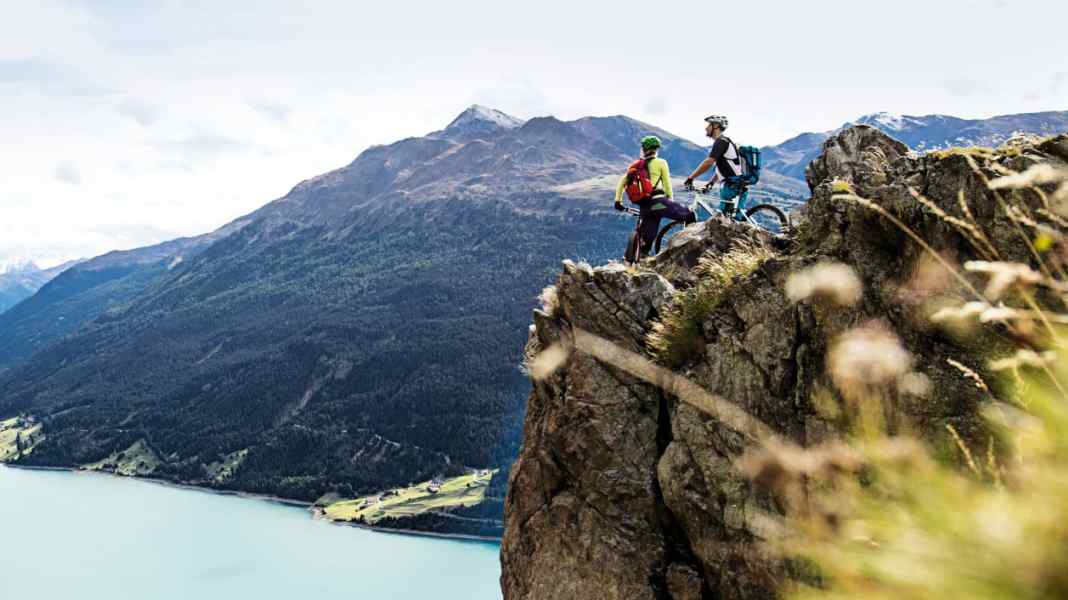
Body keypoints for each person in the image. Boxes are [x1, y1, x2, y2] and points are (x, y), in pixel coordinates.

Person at [614, 135, 695, 257]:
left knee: (646, 242)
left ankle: (636, 262)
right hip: (658, 203)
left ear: (643, 149)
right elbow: (667, 184)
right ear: (656, 150)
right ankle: (691, 247)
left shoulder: (635, 166)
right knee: (689, 215)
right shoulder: (661, 162)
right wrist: (670, 202)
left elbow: (621, 183)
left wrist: (618, 201)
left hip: (645, 207)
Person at [684, 115, 748, 218]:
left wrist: (691, 177)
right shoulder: (725, 141)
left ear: (716, 126)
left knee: (720, 219)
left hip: (731, 185)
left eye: (709, 125)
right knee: (732, 219)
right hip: (735, 184)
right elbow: (725, 167)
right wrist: (711, 183)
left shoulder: (721, 141)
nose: (706, 128)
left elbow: (709, 162)